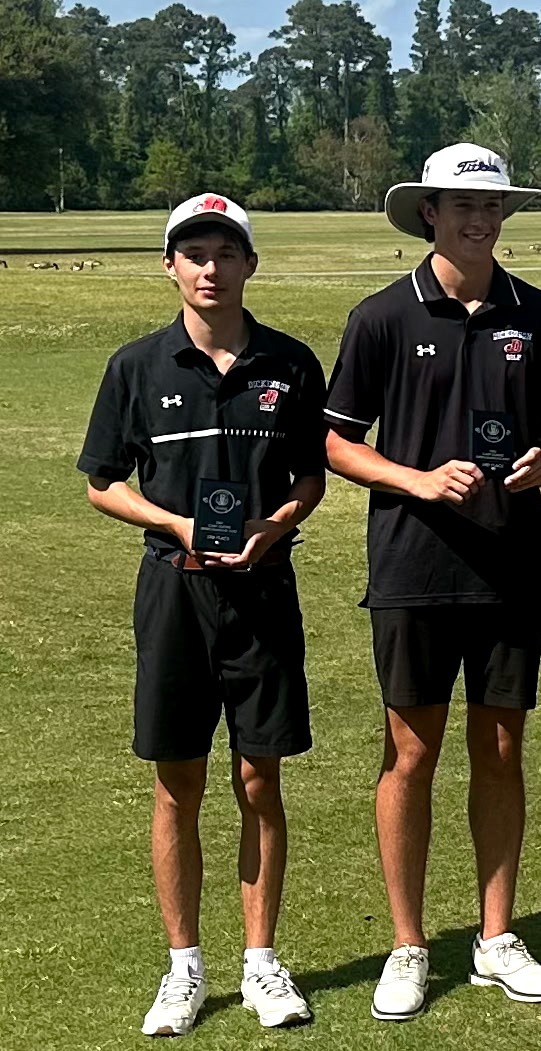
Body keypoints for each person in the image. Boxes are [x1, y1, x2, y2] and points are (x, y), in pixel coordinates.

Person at [323, 143, 541, 1020]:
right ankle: (407, 944)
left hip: (510, 562)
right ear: (428, 213)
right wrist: (417, 479)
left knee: (501, 749)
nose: (479, 220)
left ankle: (496, 936)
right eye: (462, 205)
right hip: (412, 563)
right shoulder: (381, 316)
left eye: (491, 206)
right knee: (411, 753)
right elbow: (337, 441)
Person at [78, 194, 322, 1035]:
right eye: (194, 254)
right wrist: (175, 523)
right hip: (173, 590)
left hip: (263, 590)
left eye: (225, 252)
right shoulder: (136, 366)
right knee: (176, 780)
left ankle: (261, 963)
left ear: (250, 263)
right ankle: (183, 967)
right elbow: (102, 483)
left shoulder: (290, 364)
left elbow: (310, 477)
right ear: (170, 266)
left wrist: (275, 525)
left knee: (260, 777)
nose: (210, 268)